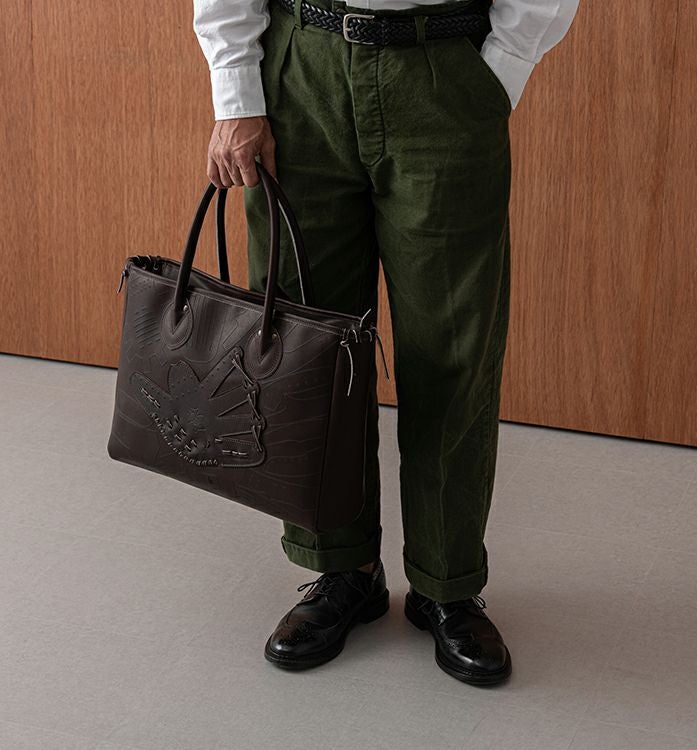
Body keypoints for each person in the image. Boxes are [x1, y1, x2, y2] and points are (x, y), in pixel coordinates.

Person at [192, 0, 579, 684]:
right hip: (302, 70)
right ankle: (341, 568)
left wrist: (501, 67)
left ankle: (446, 582)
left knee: (452, 345)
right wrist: (236, 93)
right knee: (307, 347)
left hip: (444, 72)